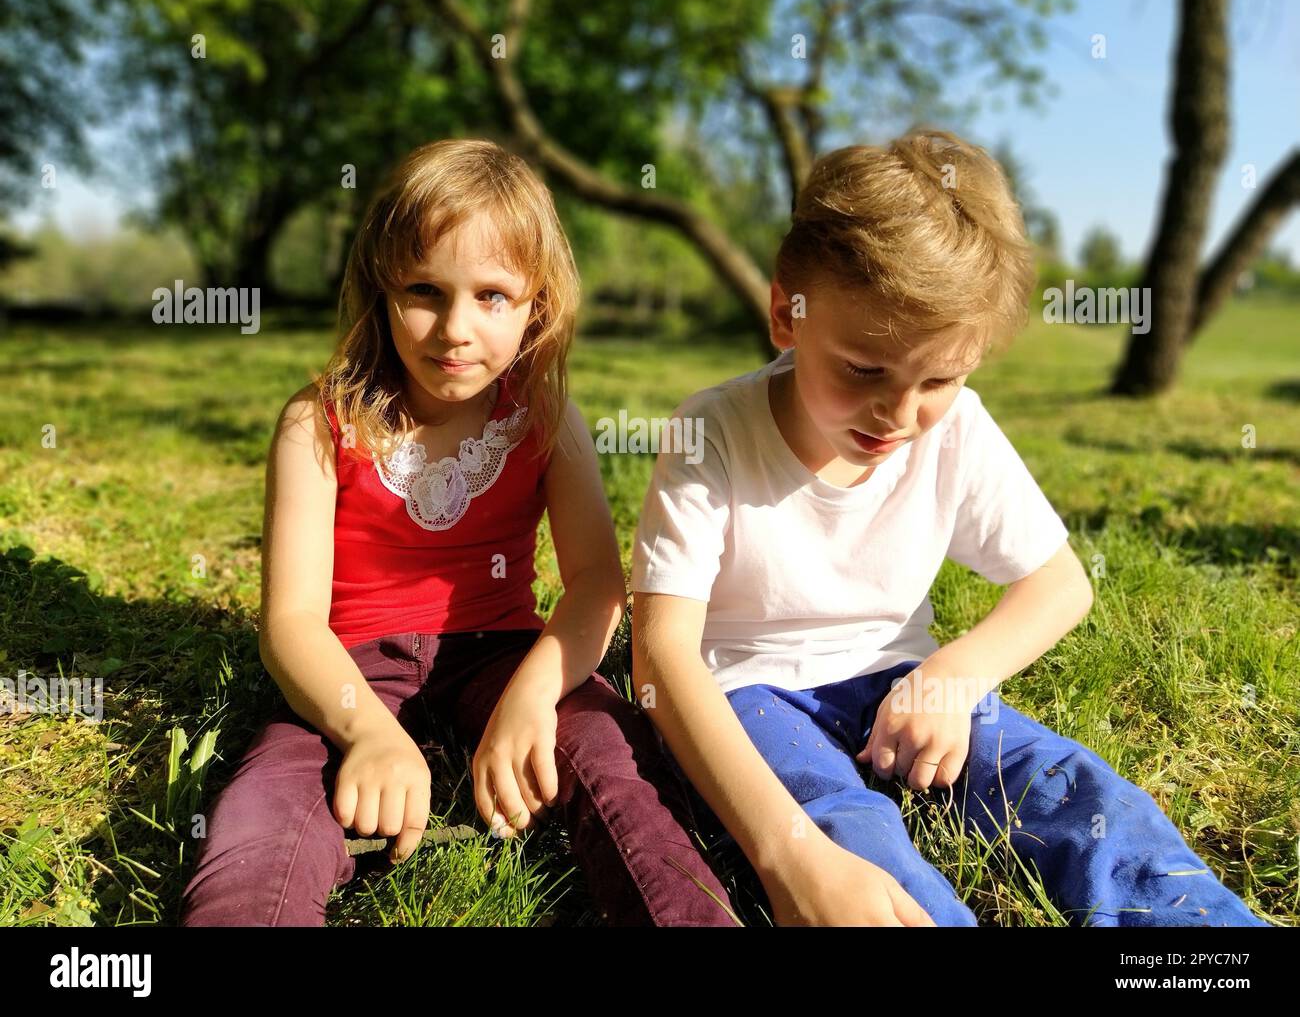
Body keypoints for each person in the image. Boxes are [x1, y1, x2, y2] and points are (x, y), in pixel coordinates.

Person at [630, 129, 1270, 927]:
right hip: (746, 694)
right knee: (849, 831)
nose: (899, 414)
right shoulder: (713, 431)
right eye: (863, 369)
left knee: (1074, 791)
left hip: (901, 679)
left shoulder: (953, 426)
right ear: (785, 313)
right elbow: (661, 654)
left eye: (938, 376)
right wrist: (791, 851)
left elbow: (1059, 582)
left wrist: (955, 675)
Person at [181, 138, 737, 927]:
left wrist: (533, 694)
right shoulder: (319, 421)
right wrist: (364, 729)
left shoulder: (545, 416)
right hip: (347, 665)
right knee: (263, 816)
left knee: (618, 764)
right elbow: (291, 621)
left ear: (536, 304)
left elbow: (596, 586)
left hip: (504, 650)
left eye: (492, 296)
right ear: (380, 285)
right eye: (424, 290)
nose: (454, 328)